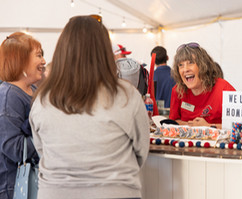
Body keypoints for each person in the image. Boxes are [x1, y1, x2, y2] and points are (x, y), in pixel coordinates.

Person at [29, 15, 150, 199]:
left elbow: (42, 150)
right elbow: (141, 151)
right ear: (104, 50)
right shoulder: (127, 95)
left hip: (55, 192)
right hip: (116, 192)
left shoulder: (42, 99)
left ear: (62, 50)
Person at [0, 32, 44, 199]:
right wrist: (48, 138)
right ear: (21, 59)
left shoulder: (32, 90)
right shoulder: (8, 96)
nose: (43, 61)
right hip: (15, 188)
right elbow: (13, 148)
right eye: (38, 55)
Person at [169, 42, 236, 128]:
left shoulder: (224, 89)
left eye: (191, 63)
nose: (185, 69)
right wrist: (193, 126)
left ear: (203, 65)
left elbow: (238, 126)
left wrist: (208, 126)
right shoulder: (178, 90)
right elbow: (173, 122)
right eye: (181, 65)